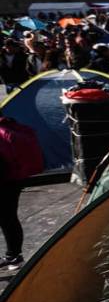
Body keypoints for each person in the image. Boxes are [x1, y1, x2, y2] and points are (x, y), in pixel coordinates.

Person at [0, 116, 43, 271]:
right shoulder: (9, 125)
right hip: (15, 179)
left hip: (5, 180)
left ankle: (14, 256)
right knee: (9, 217)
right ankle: (14, 256)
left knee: (7, 218)